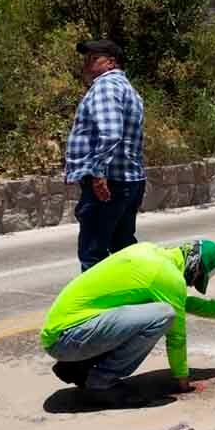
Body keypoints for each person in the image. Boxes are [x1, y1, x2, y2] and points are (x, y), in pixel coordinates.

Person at [40, 239, 215, 407]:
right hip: (68, 339)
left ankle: (78, 366)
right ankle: (102, 383)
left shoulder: (153, 256)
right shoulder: (168, 277)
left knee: (156, 311)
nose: (191, 284)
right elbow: (176, 336)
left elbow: (178, 300)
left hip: (66, 333)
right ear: (195, 268)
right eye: (196, 280)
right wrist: (182, 379)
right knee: (164, 315)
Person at [65, 39, 147, 271]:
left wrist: (98, 173)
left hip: (110, 183)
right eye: (86, 59)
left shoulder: (105, 86)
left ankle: (96, 296)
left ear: (111, 62)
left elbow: (111, 133)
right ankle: (133, 291)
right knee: (123, 250)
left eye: (93, 59)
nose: (86, 64)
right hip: (128, 180)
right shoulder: (127, 88)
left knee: (93, 254)